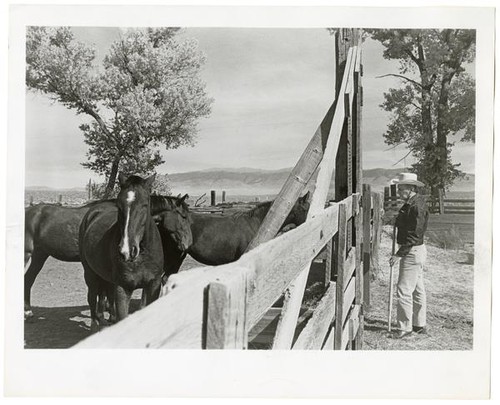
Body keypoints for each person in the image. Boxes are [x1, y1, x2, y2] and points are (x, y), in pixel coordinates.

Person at [389, 172, 429, 339]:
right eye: (399, 188)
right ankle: (419, 324)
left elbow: (414, 234)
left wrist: (399, 254)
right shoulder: (411, 203)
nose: (399, 192)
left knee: (404, 290)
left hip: (412, 251)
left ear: (411, 188)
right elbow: (406, 224)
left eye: (401, 188)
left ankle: (405, 329)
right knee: (418, 289)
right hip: (416, 251)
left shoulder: (416, 206)